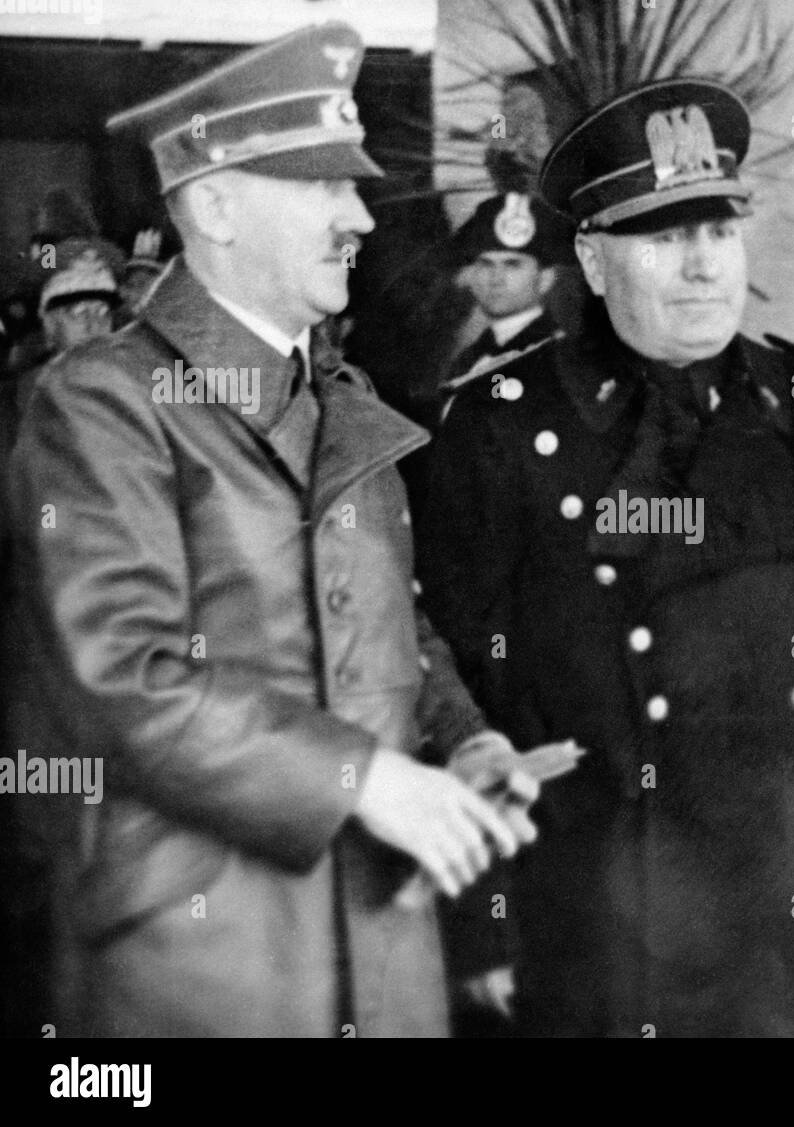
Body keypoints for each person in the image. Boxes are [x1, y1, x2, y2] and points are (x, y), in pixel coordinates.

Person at [5, 20, 542, 1038]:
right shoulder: (101, 404)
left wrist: (465, 743)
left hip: (380, 945)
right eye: (321, 186)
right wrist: (364, 777)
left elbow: (395, 628)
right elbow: (124, 673)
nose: (360, 219)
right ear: (214, 203)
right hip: (204, 963)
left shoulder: (343, 396)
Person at [417, 77, 794, 1037]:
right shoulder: (500, 427)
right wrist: (482, 917)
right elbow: (456, 678)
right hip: (598, 906)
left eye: (719, 232)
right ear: (590, 255)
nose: (705, 266)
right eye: (666, 239)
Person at [444, 192, 566, 390]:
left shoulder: (558, 361)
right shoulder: (470, 357)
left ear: (545, 279)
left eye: (512, 265)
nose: (496, 278)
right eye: (486, 263)